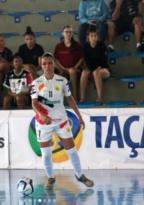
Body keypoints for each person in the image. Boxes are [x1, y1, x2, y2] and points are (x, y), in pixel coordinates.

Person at [31, 52, 94, 189]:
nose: (47, 66)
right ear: (41, 66)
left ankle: (79, 175)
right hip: (43, 123)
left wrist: (79, 116)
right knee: (46, 155)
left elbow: (70, 99)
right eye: (44, 63)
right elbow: (34, 104)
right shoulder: (36, 83)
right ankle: (51, 178)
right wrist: (42, 115)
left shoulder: (62, 81)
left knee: (72, 151)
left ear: (54, 64)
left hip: (61, 121)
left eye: (49, 63)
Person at [80, 25, 111, 103]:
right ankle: (82, 98)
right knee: (84, 73)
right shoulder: (85, 47)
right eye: (92, 36)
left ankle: (99, 97)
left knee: (96, 73)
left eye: (95, 36)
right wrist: (92, 71)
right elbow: (87, 61)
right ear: (88, 37)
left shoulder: (102, 45)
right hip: (91, 68)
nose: (94, 38)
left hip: (103, 69)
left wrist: (95, 71)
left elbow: (104, 61)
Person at [54, 24, 83, 101]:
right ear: (62, 33)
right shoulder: (58, 46)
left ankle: (74, 95)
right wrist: (63, 68)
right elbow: (56, 59)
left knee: (71, 71)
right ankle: (60, 97)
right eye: (66, 32)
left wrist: (74, 67)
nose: (68, 33)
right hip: (63, 69)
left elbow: (81, 58)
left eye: (70, 32)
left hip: (76, 70)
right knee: (61, 74)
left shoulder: (77, 45)